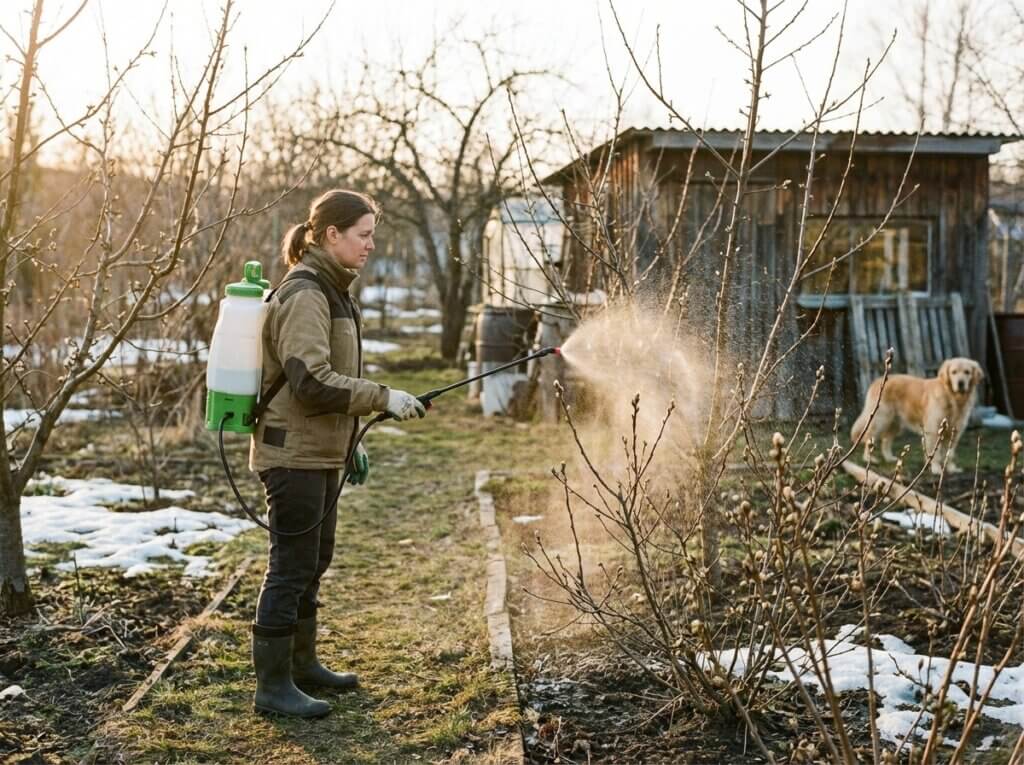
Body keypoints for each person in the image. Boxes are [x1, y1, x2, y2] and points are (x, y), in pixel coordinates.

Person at [248, 189, 426, 718]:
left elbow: (325, 385)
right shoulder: (306, 292)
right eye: (363, 234)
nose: (371, 244)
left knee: (313, 562)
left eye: (373, 234)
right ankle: (272, 688)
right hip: (292, 455)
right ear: (331, 235)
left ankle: (303, 667)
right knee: (290, 566)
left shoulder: (335, 288)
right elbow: (310, 383)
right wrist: (382, 399)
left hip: (320, 452)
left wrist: (350, 444)